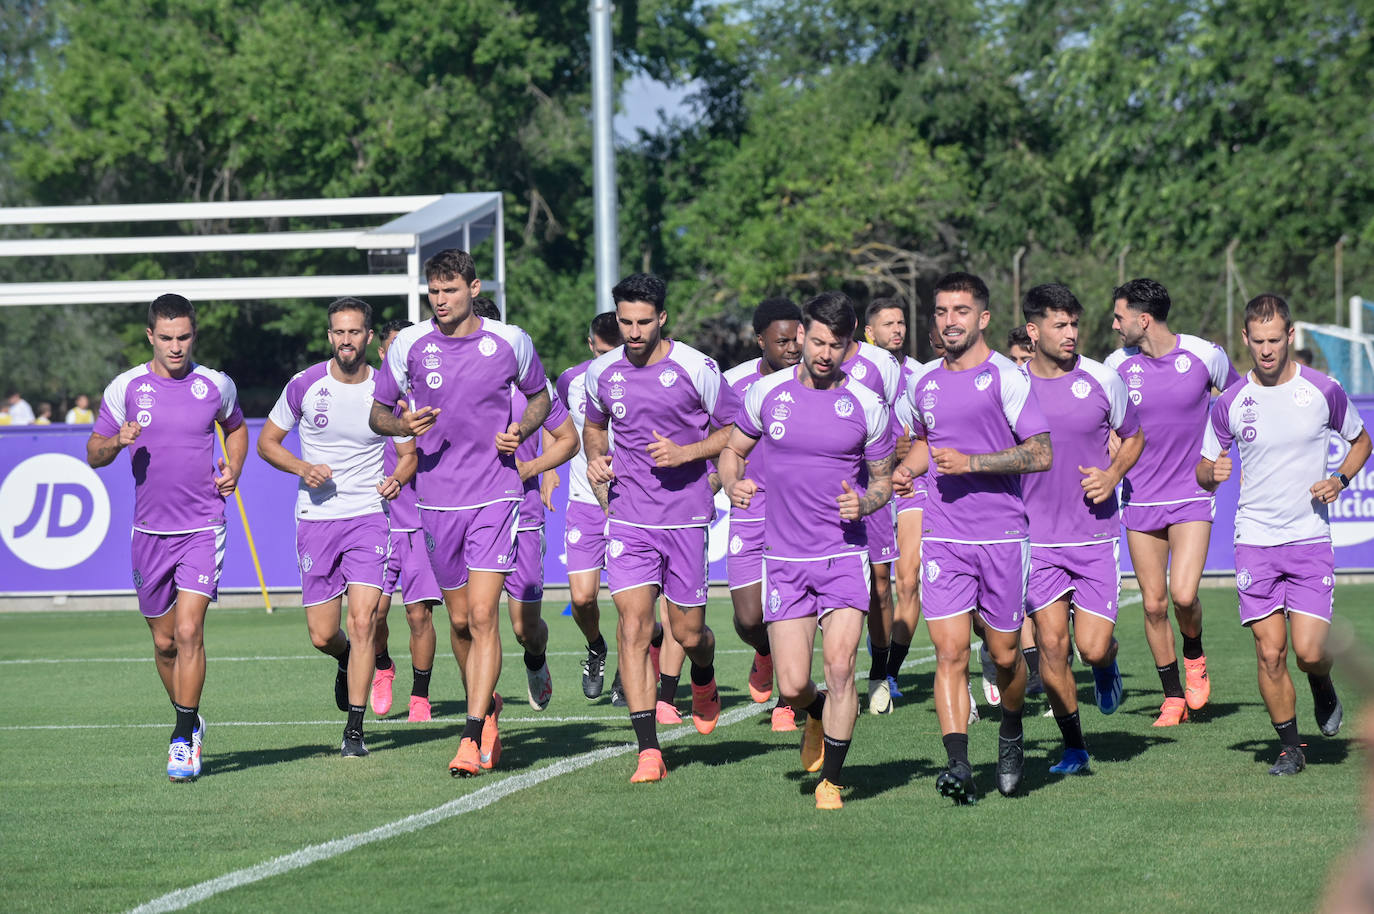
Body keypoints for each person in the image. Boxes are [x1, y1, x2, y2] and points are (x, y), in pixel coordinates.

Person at [369, 248, 552, 778]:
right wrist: (402, 428)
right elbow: (379, 412)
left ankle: (471, 736)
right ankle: (486, 701)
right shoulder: (407, 346)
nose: (441, 299)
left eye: (451, 290)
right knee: (460, 623)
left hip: (495, 494)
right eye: (434, 291)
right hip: (434, 501)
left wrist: (521, 428)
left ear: (474, 288)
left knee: (481, 615)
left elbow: (540, 398)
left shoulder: (510, 341)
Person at [720, 291, 895, 810]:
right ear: (801, 336)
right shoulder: (768, 393)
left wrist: (864, 503)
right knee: (795, 684)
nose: (824, 352)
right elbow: (733, 450)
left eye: (836, 345)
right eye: (816, 340)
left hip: (843, 556)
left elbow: (884, 481)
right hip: (785, 559)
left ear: (850, 343)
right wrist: (732, 483)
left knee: (841, 668)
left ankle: (832, 782)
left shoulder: (867, 404)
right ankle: (813, 713)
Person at [893, 271, 1052, 803]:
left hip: (1003, 536)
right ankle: (959, 764)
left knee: (1006, 657)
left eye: (960, 311)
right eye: (940, 312)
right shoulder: (925, 383)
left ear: (982, 318)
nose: (949, 321)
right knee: (950, 655)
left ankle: (1010, 731)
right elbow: (924, 442)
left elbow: (1040, 453)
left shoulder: (1007, 377)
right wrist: (907, 470)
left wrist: (973, 463)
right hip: (943, 536)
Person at [1198, 293, 1371, 775]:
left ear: (1290, 336)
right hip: (1254, 540)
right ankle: (1291, 748)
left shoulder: (1323, 389)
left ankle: (1321, 683)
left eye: (1276, 340)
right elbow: (1202, 466)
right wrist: (1211, 474)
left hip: (1309, 539)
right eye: (1259, 342)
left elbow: (1362, 441)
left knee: (1310, 651)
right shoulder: (1231, 402)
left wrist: (1339, 478)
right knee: (1270, 652)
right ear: (1245, 340)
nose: (1268, 350)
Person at [583, 272, 737, 783]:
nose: (633, 331)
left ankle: (705, 674)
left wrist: (687, 454)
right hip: (629, 516)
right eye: (625, 321)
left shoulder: (698, 368)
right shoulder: (602, 372)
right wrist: (595, 460)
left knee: (689, 631)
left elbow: (736, 430)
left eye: (643, 322)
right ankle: (648, 750)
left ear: (662, 318)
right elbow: (594, 426)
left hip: (687, 515)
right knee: (633, 627)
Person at [86, 293, 247, 781]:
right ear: (150, 336)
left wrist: (232, 468)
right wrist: (116, 441)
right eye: (167, 338)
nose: (176, 347)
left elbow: (236, 431)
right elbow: (93, 452)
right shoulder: (126, 388)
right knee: (163, 644)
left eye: (185, 338)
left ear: (193, 335)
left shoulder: (216, 385)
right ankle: (190, 714)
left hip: (202, 526)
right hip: (149, 533)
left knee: (188, 630)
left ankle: (181, 737)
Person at [257, 298, 412, 757]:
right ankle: (346, 660)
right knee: (324, 634)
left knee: (363, 620)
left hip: (369, 516)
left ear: (368, 337)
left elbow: (408, 455)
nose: (347, 340)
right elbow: (268, 443)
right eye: (339, 332)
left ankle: (355, 730)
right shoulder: (305, 385)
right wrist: (303, 468)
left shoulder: (386, 391)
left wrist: (397, 479)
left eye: (355, 332)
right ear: (331, 337)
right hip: (317, 520)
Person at [1020, 283, 1144, 774]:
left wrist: (1113, 474)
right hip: (1036, 540)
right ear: (1034, 331)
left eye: (1075, 324)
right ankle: (1074, 747)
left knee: (1090, 647)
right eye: (1059, 325)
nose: (1071, 334)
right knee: (1051, 644)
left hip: (1094, 536)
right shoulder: (1010, 385)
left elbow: (1134, 436)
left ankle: (1107, 661)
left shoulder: (1102, 379)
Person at [1106, 278, 1240, 726]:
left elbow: (1240, 400)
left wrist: (1220, 450)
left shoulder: (1205, 355)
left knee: (1184, 596)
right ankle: (1172, 697)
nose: (1114, 324)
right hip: (1140, 499)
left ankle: (1195, 655)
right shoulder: (1116, 366)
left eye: (1119, 316)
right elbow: (1102, 420)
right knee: (1153, 604)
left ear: (1143, 320)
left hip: (1191, 494)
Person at [470, 296, 579, 710]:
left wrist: (534, 467)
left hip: (522, 516)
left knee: (523, 627)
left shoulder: (530, 385)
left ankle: (536, 659)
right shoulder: (447, 380)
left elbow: (564, 435)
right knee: (474, 620)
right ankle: (480, 714)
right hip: (467, 512)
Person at [723, 297, 803, 730]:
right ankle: (766, 653)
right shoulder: (735, 385)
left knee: (792, 612)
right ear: (761, 341)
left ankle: (789, 702)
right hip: (750, 511)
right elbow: (722, 442)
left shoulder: (818, 384)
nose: (792, 348)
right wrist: (726, 482)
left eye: (798, 339)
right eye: (783, 340)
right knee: (749, 617)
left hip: (799, 515)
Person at [371, 319, 443, 722]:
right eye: (394, 348)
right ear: (384, 354)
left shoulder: (431, 396)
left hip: (418, 523)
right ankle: (383, 666)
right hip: (377, 524)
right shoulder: (371, 401)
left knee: (419, 615)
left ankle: (420, 695)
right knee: (373, 614)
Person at [838, 303, 903, 714]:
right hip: (824, 494)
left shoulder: (881, 364)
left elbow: (899, 423)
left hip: (874, 492)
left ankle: (879, 673)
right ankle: (832, 680)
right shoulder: (810, 364)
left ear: (855, 329)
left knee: (881, 586)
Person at [555, 311, 623, 699]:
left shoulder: (639, 377)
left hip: (632, 505)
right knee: (582, 598)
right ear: (590, 345)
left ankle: (628, 672)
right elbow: (558, 426)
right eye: (601, 352)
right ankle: (596, 646)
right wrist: (550, 472)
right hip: (584, 500)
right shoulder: (570, 380)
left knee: (632, 603)